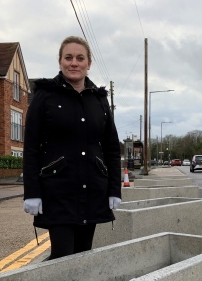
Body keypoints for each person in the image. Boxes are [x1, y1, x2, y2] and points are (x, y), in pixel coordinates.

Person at [23, 36, 122, 260]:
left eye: (80, 58)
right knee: (62, 256)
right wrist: (32, 192)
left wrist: (114, 189)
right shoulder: (45, 95)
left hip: (93, 190)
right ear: (60, 62)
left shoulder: (99, 100)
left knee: (82, 256)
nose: (74, 63)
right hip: (57, 191)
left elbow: (111, 149)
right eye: (68, 58)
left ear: (89, 63)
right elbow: (31, 148)